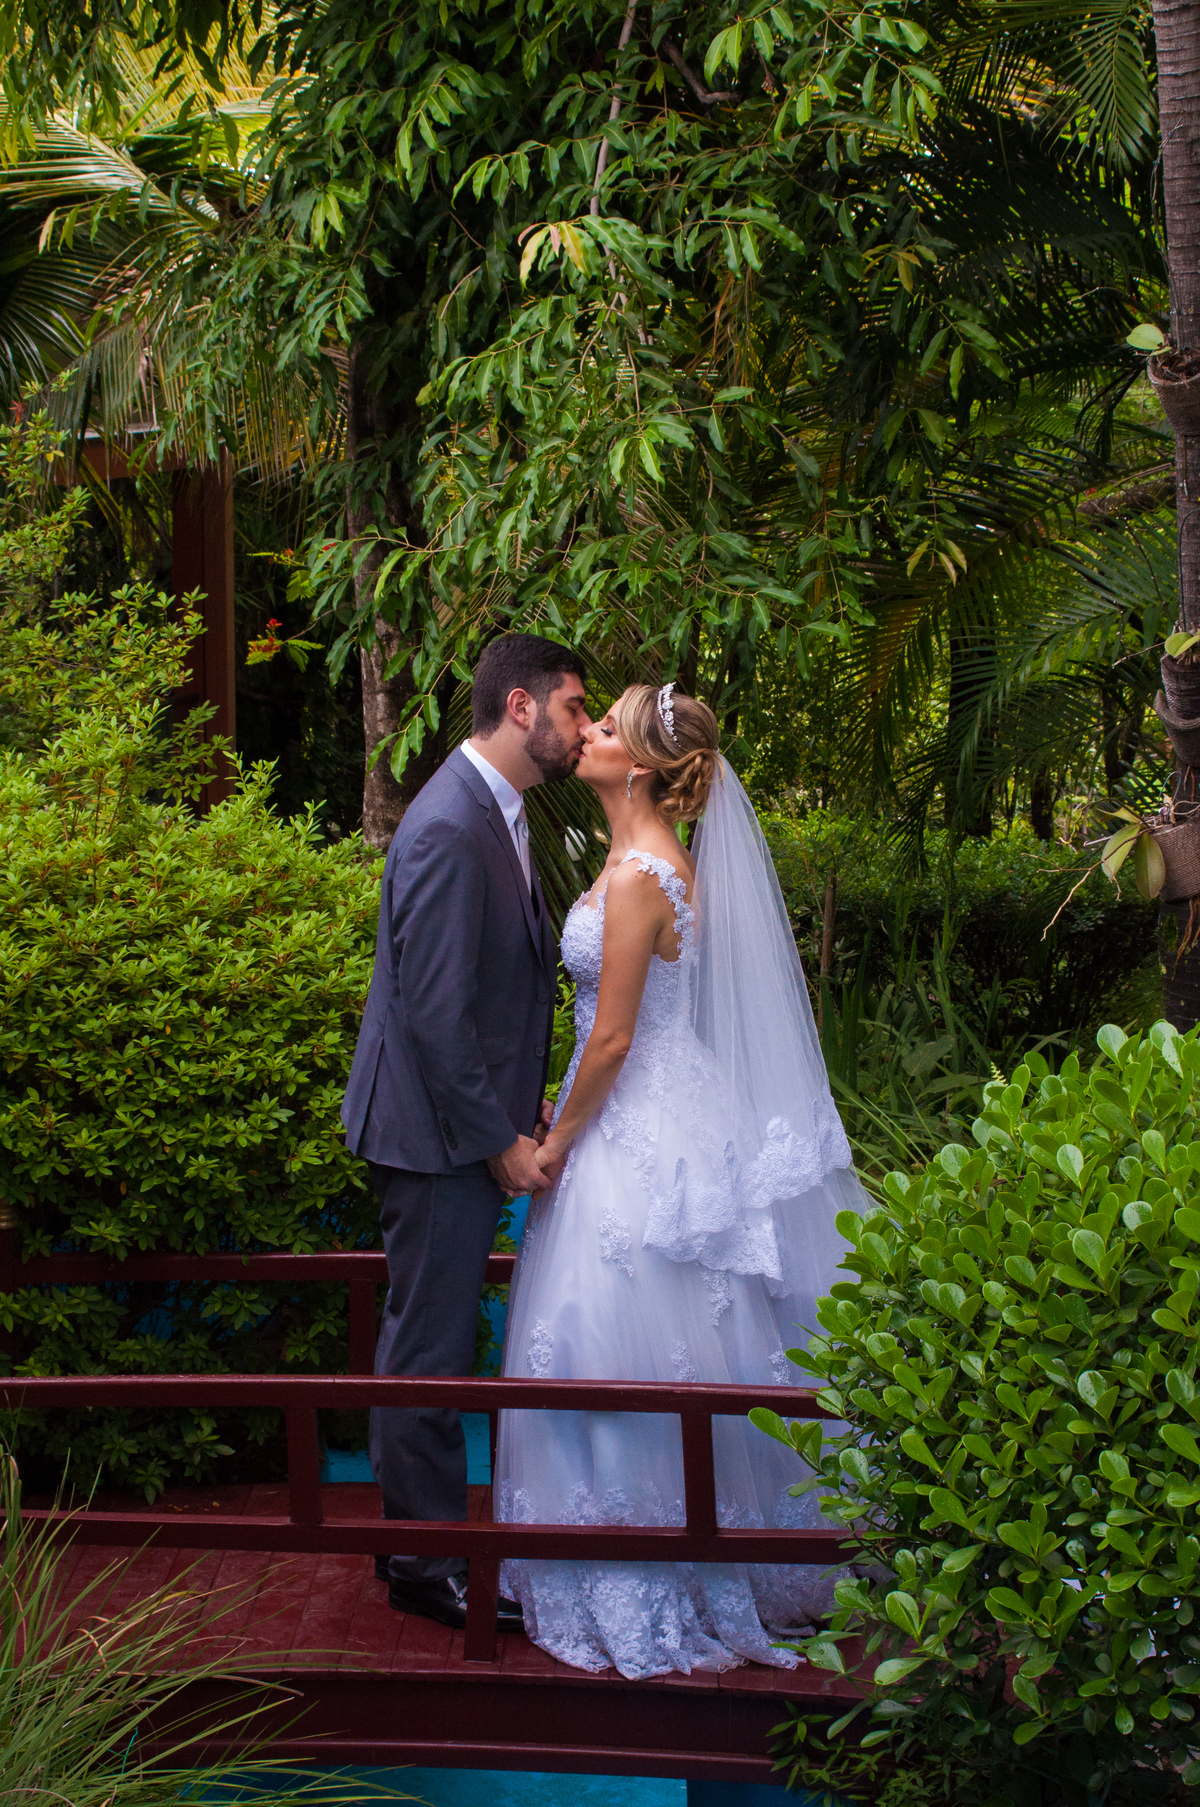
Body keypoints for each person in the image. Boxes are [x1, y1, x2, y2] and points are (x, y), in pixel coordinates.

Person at [493, 682, 866, 1678]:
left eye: (607, 726)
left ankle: (647, 1567)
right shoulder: (635, 858)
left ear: (645, 766)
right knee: (629, 1339)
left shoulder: (638, 873)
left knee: (607, 1337)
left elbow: (613, 1035)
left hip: (631, 1127)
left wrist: (558, 1144)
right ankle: (633, 1550)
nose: (589, 734)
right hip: (653, 1106)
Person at [341, 633, 589, 1632]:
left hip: (461, 1122)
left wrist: (519, 1103)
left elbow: (490, 989)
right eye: (575, 706)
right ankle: (423, 1562)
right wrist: (498, 1139)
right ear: (521, 706)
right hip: (433, 1138)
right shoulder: (451, 823)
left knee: (429, 1341)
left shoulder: (499, 810)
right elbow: (435, 1013)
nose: (582, 724)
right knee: (428, 1354)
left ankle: (409, 1538)